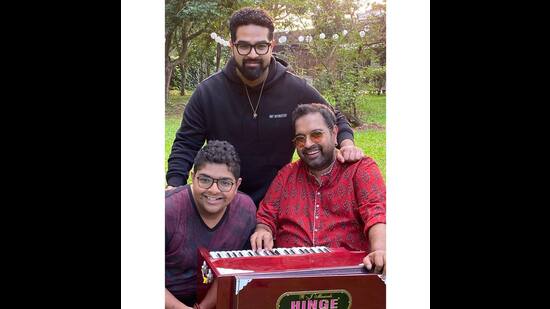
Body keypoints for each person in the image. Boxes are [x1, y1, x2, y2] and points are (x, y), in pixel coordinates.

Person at [166, 7, 364, 206]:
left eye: (261, 46)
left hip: (278, 202)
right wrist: (174, 185)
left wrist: (347, 145)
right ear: (231, 46)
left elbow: (334, 117)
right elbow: (186, 143)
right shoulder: (207, 92)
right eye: (244, 46)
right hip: (221, 200)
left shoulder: (295, 89)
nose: (253, 54)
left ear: (272, 46)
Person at [250, 104, 386, 274]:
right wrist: (263, 230)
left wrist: (380, 251)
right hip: (289, 277)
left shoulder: (359, 169)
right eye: (300, 139)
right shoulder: (286, 175)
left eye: (316, 135)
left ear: (334, 133)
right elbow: (266, 215)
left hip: (346, 277)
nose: (307, 144)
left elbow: (376, 214)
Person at [165, 140, 256, 308]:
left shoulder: (245, 211)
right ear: (193, 177)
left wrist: (203, 307)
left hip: (215, 299)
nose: (214, 190)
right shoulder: (167, 210)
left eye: (225, 183)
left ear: (237, 185)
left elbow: (233, 268)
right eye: (205, 180)